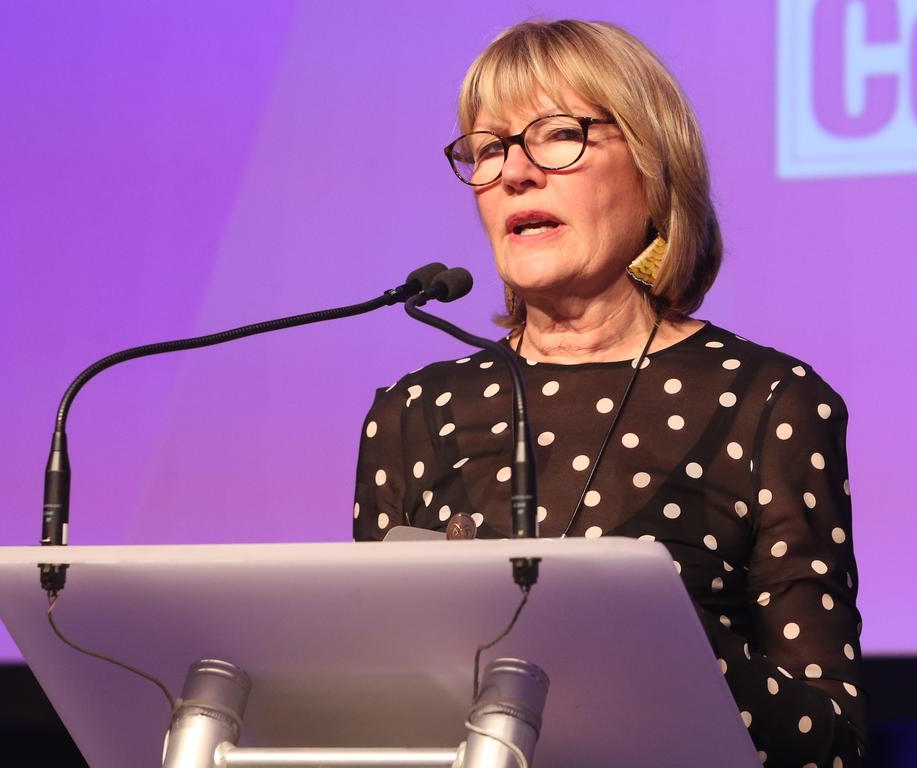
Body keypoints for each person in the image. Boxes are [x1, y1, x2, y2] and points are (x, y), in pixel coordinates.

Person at [353, 19, 865, 767]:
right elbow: (371, 708)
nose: (516, 173)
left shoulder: (769, 402)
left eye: (558, 135)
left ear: (655, 171)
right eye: (491, 149)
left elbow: (834, 741)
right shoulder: (413, 414)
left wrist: (653, 637)